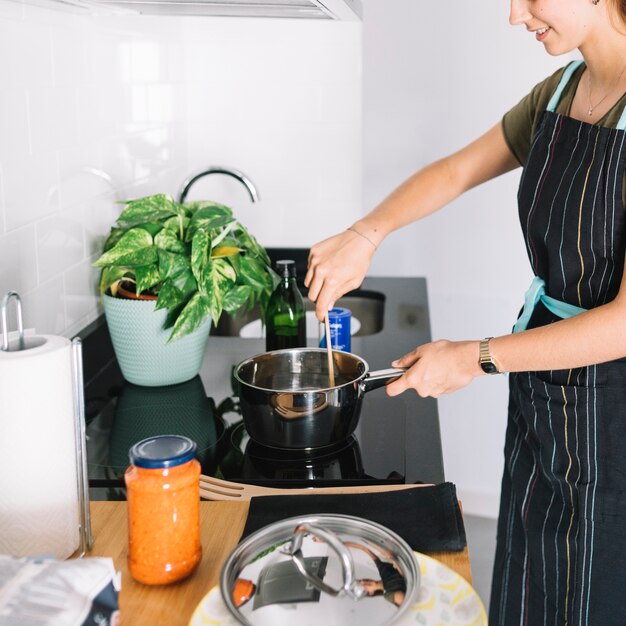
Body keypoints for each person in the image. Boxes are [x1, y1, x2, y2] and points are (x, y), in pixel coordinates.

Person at [304, 1, 626, 623]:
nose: (515, 14)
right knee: (529, 579)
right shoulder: (562, 90)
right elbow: (457, 170)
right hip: (545, 386)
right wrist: (365, 235)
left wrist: (475, 358)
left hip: (610, 412)